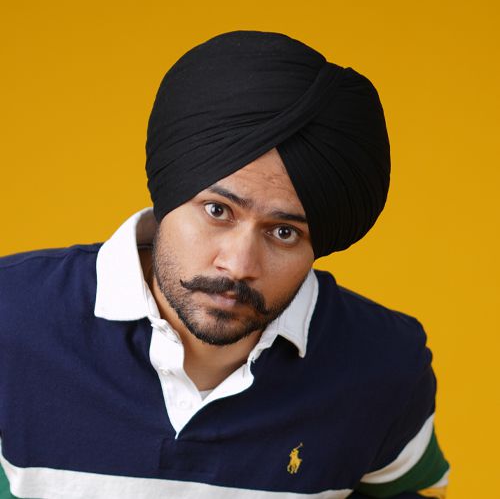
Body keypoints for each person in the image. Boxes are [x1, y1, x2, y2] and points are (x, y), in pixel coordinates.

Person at [0, 30, 449, 499]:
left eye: (283, 232)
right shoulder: (10, 320)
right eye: (218, 211)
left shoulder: (385, 364)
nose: (238, 265)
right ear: (168, 194)